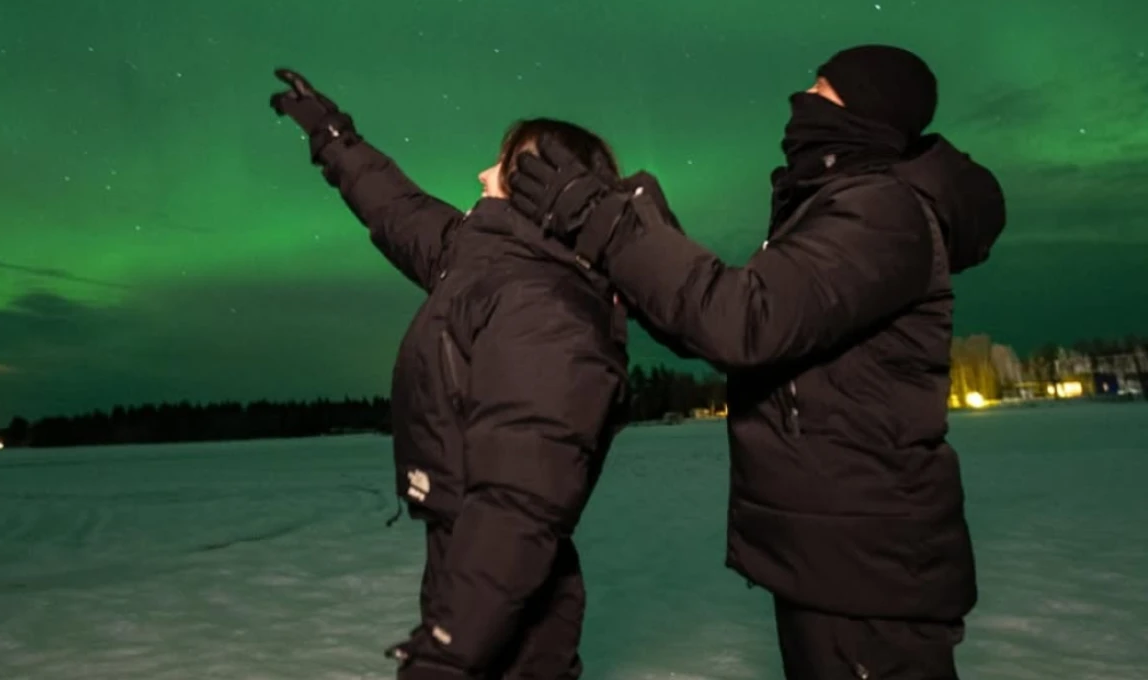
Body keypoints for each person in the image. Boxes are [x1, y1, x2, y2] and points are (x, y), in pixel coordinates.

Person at [504, 45, 1007, 679]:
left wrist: (602, 219)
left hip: (866, 564)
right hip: (832, 548)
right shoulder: (837, 207)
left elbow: (743, 322)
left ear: (865, 111)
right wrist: (639, 227)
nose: (802, 101)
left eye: (821, 91)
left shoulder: (883, 213)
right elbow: (721, 330)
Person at [268, 69, 643, 679]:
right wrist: (333, 135)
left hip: (498, 583)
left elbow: (519, 504)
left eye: (500, 164)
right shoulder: (481, 261)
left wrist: (449, 646)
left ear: (540, 186)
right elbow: (397, 208)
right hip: (467, 559)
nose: (481, 174)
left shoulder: (546, 309)